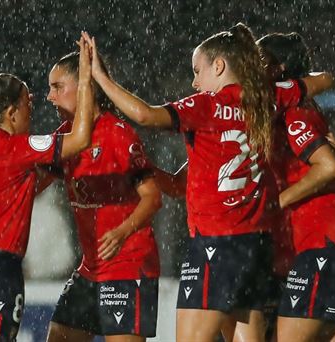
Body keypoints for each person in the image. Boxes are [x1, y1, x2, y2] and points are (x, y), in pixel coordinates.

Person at [81, 23, 314, 341]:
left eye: (197, 70)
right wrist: (143, 172)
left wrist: (100, 79)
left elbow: (146, 115)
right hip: (256, 244)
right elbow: (322, 81)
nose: (194, 81)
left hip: (215, 245)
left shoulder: (207, 105)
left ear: (218, 66)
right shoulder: (266, 99)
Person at [0, 37, 94, 342]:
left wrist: (55, 167)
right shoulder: (14, 148)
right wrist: (85, 82)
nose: (33, 111)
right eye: (29, 104)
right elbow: (80, 139)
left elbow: (14, 189)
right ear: (11, 113)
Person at [45, 50, 162, 342]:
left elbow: (152, 197)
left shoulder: (118, 135)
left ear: (86, 86)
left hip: (128, 263)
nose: (50, 97)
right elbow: (31, 185)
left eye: (57, 87)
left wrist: (123, 231)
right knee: (59, 337)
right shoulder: (65, 138)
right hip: (91, 267)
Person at [257, 32, 335, 342]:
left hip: (320, 241)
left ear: (279, 68)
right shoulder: (300, 105)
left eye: (259, 61)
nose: (251, 67)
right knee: (331, 335)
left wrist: (278, 201)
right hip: (334, 241)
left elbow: (328, 166)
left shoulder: (293, 110)